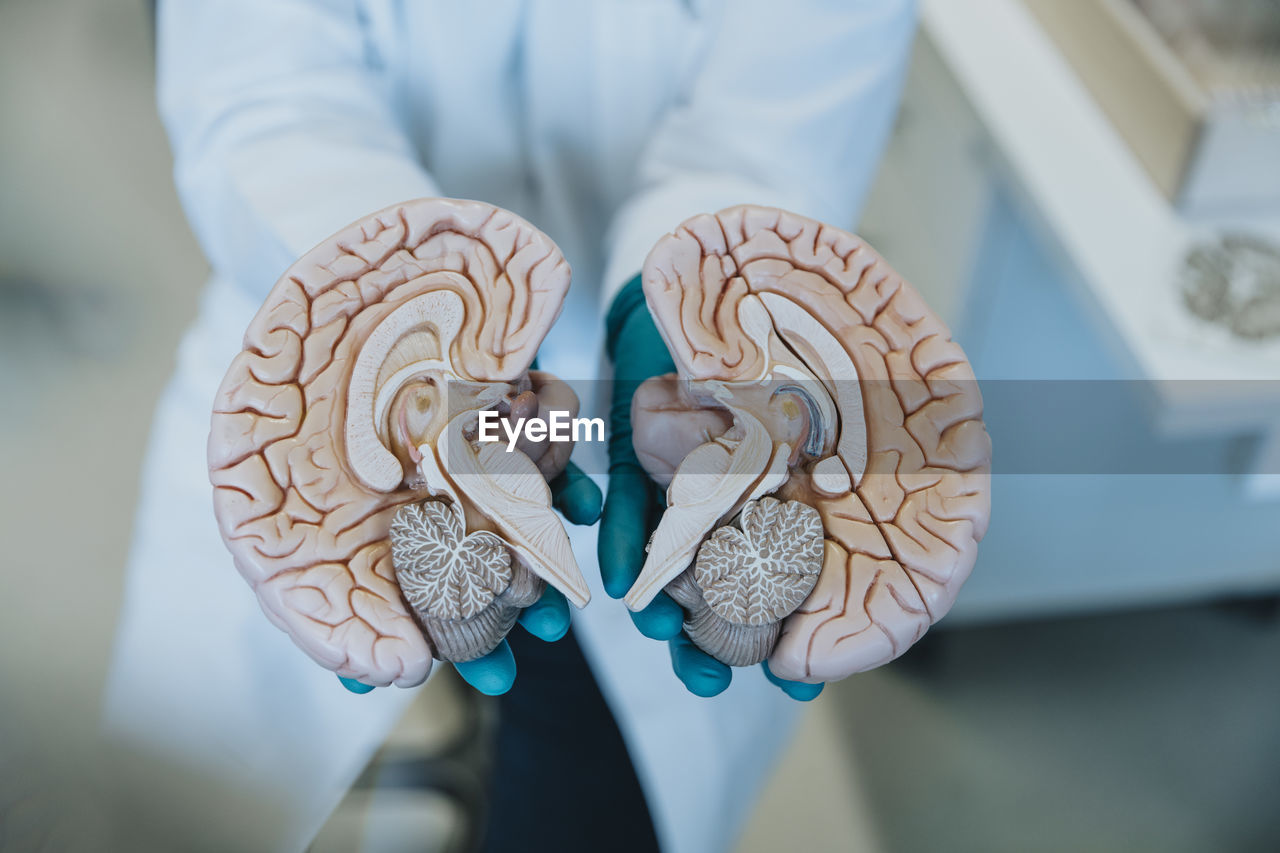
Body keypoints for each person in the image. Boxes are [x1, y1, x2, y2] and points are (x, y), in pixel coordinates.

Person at [104, 2, 917, 851]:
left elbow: (772, 119)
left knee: (592, 801)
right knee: (196, 801)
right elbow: (264, 92)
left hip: (711, 362)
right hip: (329, 361)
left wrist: (682, 296)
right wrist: (394, 304)